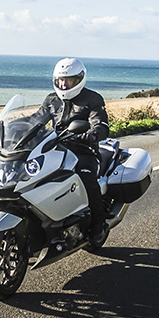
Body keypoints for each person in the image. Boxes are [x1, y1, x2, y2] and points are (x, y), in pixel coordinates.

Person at [41, 57, 110, 242]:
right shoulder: (51, 100)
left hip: (84, 151)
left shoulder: (92, 99)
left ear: (79, 79)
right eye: (60, 80)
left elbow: (101, 124)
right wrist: (14, 129)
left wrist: (93, 134)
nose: (63, 84)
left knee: (86, 177)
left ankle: (98, 225)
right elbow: (35, 120)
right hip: (56, 149)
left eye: (68, 80)